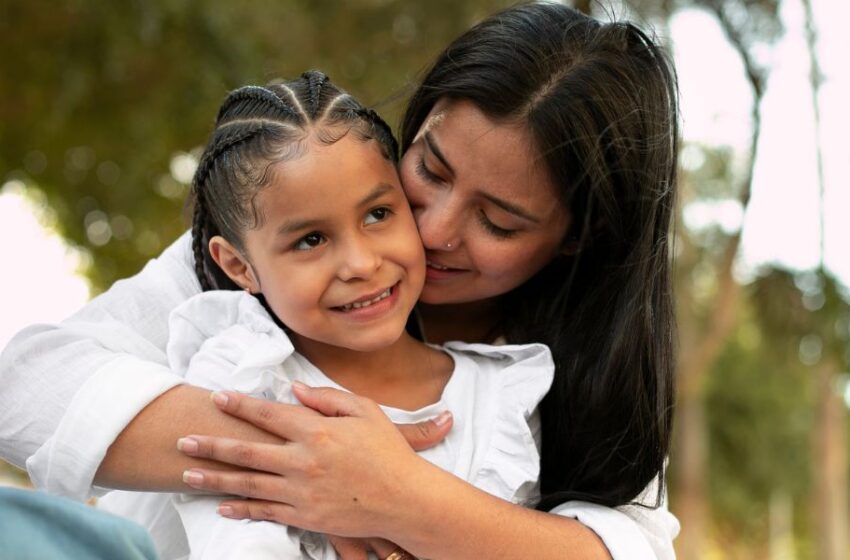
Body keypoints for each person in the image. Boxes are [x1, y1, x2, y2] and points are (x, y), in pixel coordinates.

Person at [0, 3, 680, 559]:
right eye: (432, 172)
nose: (435, 229)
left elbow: (632, 549)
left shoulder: (577, 368)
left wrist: (404, 497)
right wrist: (312, 458)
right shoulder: (268, 260)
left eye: (498, 222)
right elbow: (26, 387)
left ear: (576, 238)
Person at [98, 73, 556, 560]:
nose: (361, 263)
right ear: (239, 267)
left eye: (378, 214)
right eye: (311, 240)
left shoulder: (505, 392)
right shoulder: (243, 380)